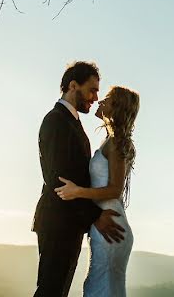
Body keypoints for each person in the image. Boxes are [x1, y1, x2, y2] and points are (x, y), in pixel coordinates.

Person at [32, 62, 126, 297]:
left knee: (56, 291)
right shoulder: (56, 121)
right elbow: (58, 181)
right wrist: (95, 216)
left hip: (68, 221)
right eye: (92, 90)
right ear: (73, 85)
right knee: (51, 291)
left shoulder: (72, 122)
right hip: (58, 221)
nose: (95, 97)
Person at [56, 86, 140, 297]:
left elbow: (115, 189)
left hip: (110, 224)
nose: (101, 101)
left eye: (108, 100)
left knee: (100, 287)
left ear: (117, 107)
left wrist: (77, 192)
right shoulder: (111, 141)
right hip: (106, 221)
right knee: (101, 285)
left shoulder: (116, 142)